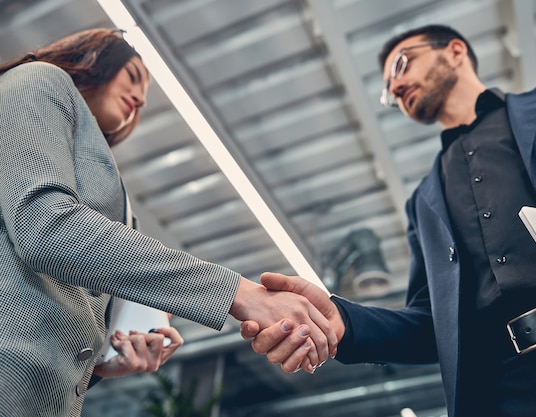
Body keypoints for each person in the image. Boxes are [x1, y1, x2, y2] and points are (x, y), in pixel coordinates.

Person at [241, 24, 536, 417]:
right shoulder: (423, 202)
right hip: (507, 392)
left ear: (455, 51)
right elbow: (433, 324)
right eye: (387, 88)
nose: (394, 88)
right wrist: (345, 321)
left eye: (402, 64)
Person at [0, 28, 336, 417]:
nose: (140, 98)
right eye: (133, 76)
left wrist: (102, 366)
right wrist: (240, 294)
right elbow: (46, 230)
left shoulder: (107, 181)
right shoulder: (38, 79)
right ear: (93, 59)